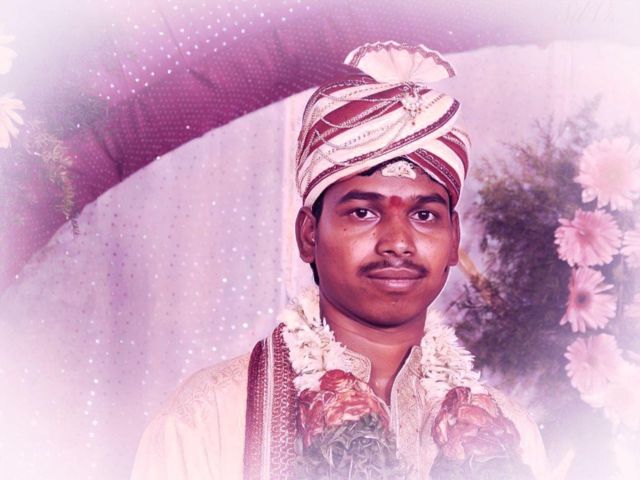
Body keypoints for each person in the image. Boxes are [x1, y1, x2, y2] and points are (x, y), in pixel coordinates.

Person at [131, 41, 548, 479]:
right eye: (363, 212)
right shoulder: (208, 420)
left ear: (453, 240)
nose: (398, 242)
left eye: (424, 215)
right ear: (309, 234)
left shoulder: (511, 433)